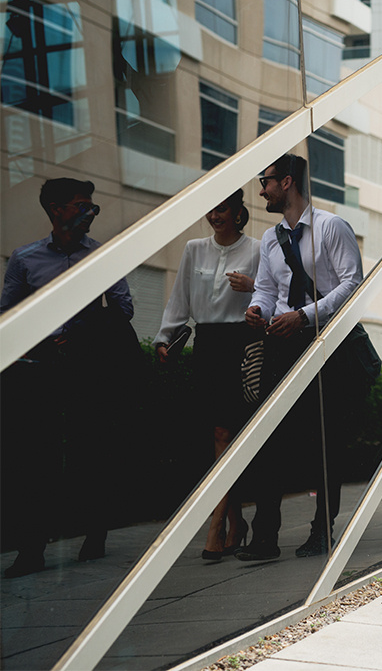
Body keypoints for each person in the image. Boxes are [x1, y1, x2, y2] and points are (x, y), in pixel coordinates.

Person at [239, 153, 374, 561]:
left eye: (266, 181)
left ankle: (322, 530)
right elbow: (265, 288)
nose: (261, 190)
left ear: (288, 182)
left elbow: (353, 284)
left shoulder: (332, 227)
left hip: (325, 343)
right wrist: (258, 309)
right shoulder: (269, 238)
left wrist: (304, 316)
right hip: (281, 342)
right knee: (269, 440)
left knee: (323, 441)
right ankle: (264, 537)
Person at [1, 178, 136, 578]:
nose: (90, 212)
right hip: (41, 371)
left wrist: (81, 330)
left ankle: (94, 534)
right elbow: (8, 315)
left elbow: (124, 309)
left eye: (92, 206)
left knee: (90, 450)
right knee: (36, 457)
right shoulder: (25, 259)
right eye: (81, 205)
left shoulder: (101, 256)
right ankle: (31, 548)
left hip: (87, 367)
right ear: (55, 209)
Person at [153, 189, 259, 561]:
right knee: (216, 439)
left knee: (224, 434)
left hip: (241, 344)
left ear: (237, 212)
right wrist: (166, 337)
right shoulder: (194, 249)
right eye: (212, 209)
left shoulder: (257, 250)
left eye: (223, 208)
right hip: (207, 345)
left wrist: (253, 289)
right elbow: (179, 297)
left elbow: (270, 296)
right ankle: (236, 522)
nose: (216, 215)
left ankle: (215, 528)